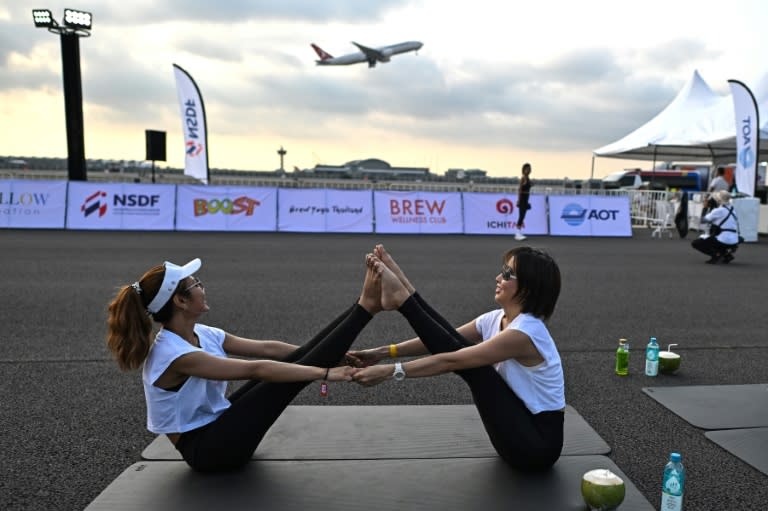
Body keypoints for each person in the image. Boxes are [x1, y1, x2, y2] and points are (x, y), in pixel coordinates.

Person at [106, 257, 380, 472]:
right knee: (274, 379)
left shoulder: (202, 333)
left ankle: (362, 305)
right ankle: (365, 307)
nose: (203, 287)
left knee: (287, 364)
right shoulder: (175, 354)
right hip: (208, 452)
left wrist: (336, 357)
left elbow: (267, 348)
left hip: (219, 428)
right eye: (196, 284)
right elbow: (256, 368)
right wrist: (326, 372)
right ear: (180, 301)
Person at [349, 244, 565, 472]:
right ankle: (404, 294)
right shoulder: (496, 319)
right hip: (513, 435)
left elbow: (452, 360)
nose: (498, 277)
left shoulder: (525, 333)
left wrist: (389, 372)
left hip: (537, 448)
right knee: (455, 343)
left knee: (477, 369)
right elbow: (442, 336)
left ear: (528, 288)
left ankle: (404, 300)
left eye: (508, 274)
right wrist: (381, 352)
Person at [691, 190, 740, 264]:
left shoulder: (718, 211)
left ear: (718, 200)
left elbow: (703, 220)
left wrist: (705, 207)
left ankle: (716, 255)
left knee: (696, 243)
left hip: (724, 239)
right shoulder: (732, 209)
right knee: (714, 238)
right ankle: (726, 255)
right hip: (735, 239)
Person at [515, 163, 533, 240]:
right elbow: (520, 189)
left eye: (529, 169)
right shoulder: (523, 178)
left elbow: (530, 185)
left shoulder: (528, 178)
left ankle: (519, 231)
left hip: (526, 198)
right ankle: (517, 234)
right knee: (521, 216)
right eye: (527, 169)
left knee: (523, 216)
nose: (528, 170)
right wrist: (518, 200)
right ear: (523, 170)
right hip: (522, 198)